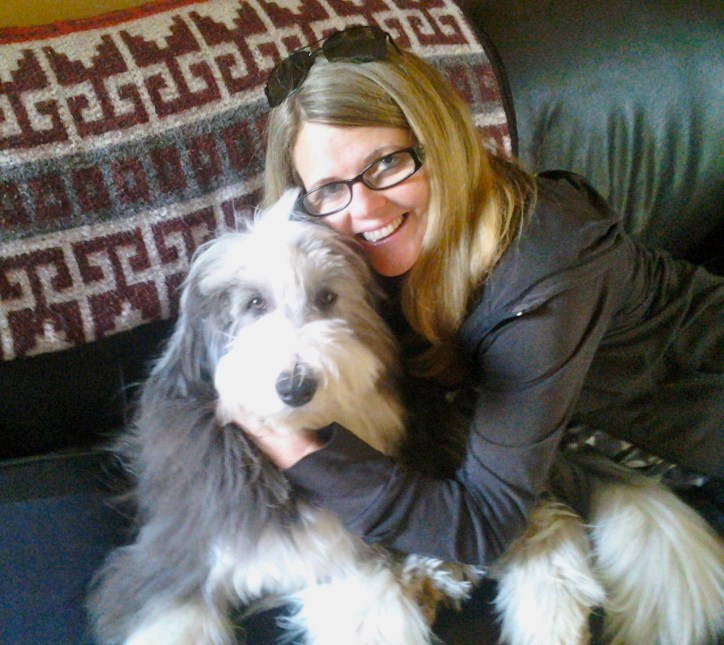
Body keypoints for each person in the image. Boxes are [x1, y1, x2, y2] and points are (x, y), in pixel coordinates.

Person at [249, 25, 723, 569]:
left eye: (386, 163)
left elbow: (483, 525)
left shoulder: (544, 272)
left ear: (442, 141)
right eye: (330, 188)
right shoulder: (371, 252)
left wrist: (302, 452)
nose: (365, 210)